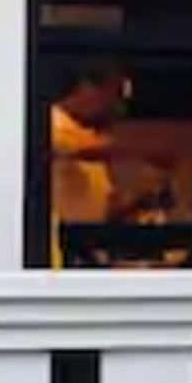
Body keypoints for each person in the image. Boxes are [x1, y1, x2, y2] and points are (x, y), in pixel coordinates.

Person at [47, 63, 133, 258]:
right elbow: (73, 148)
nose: (118, 107)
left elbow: (100, 208)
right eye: (115, 96)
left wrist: (138, 202)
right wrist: (144, 147)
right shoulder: (52, 121)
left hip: (89, 249)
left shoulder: (87, 133)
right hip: (62, 249)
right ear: (90, 88)